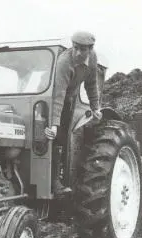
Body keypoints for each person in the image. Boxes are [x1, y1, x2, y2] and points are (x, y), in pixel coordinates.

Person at [44, 31, 103, 196]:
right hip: (53, 100)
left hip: (69, 101)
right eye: (75, 48)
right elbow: (58, 95)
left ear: (90, 49)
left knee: (63, 140)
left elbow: (91, 85)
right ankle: (54, 182)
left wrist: (96, 107)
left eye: (82, 49)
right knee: (54, 138)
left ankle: (63, 181)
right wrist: (54, 124)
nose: (77, 52)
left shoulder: (92, 59)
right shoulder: (64, 61)